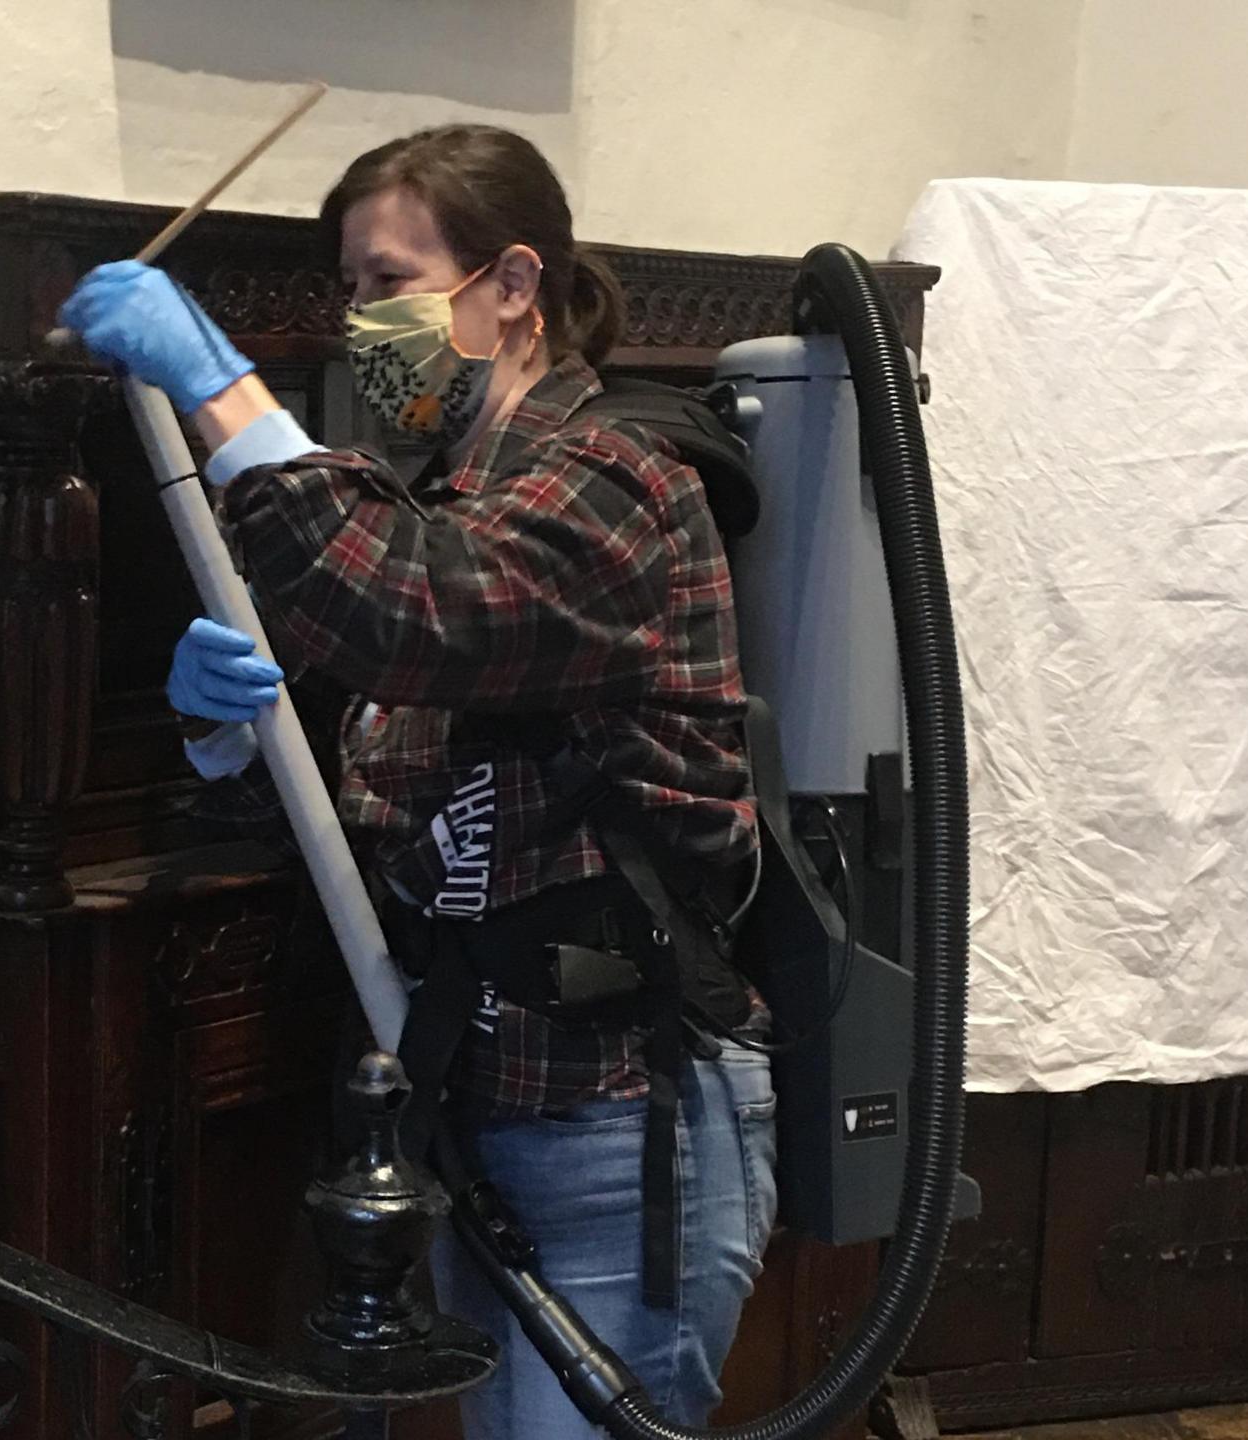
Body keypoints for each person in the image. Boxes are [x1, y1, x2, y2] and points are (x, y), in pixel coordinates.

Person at [62, 123, 775, 1438]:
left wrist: (218, 385)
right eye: (348, 290)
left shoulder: (617, 480)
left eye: (389, 283)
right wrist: (219, 739)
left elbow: (415, 612)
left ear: (514, 286)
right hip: (470, 1109)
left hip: (617, 1120)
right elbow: (379, 812)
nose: (361, 324)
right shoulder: (444, 505)